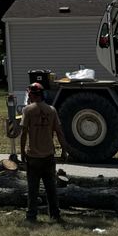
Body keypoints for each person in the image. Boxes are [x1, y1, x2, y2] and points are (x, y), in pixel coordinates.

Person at [20, 83, 67, 222]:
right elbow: (59, 132)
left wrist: (22, 152)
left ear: (32, 94)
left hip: (33, 156)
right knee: (51, 188)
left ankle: (31, 216)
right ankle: (55, 215)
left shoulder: (28, 110)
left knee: (33, 189)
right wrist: (64, 150)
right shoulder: (51, 110)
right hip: (48, 155)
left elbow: (23, 133)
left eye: (29, 94)